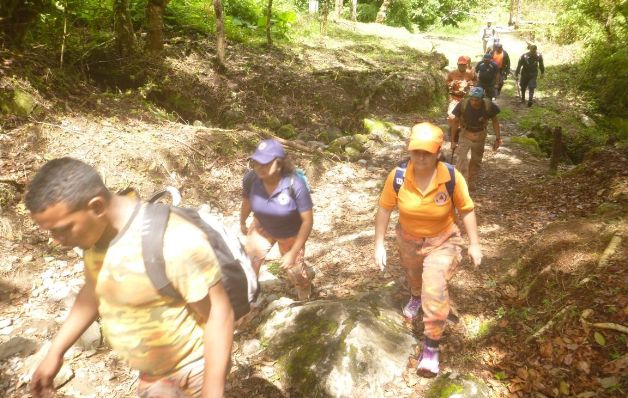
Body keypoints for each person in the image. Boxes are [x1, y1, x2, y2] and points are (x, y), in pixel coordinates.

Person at [25, 158, 234, 398]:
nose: (56, 240)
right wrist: (56, 352)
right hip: (152, 376)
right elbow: (94, 289)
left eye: (62, 228)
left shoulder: (173, 240)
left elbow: (219, 312)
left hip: (192, 371)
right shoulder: (96, 237)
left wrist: (212, 388)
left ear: (96, 207)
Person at [374, 122, 482, 377]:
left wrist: (475, 243)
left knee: (433, 284)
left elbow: (466, 209)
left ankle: (431, 347)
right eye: (416, 151)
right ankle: (415, 295)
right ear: (410, 151)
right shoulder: (398, 176)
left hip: (444, 240)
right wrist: (378, 242)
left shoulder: (452, 177)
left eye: (427, 152)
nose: (420, 157)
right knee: (415, 277)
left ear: (437, 153)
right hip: (408, 239)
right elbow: (384, 208)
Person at [240, 138, 314, 300]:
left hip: (289, 231)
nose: (259, 167)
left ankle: (304, 285)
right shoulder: (251, 179)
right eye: (256, 162)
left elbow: (307, 221)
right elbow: (247, 202)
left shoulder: (296, 184)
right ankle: (248, 298)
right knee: (248, 264)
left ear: (279, 164)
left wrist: (294, 252)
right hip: (262, 225)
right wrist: (242, 221)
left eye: (265, 163)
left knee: (295, 271)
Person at [450, 87, 502, 189]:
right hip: (465, 133)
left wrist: (498, 138)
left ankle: (471, 180)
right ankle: (461, 183)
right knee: (461, 159)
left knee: (476, 160)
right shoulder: (463, 104)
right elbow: (455, 121)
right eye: (472, 99)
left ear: (482, 98)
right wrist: (453, 140)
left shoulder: (488, 105)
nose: (473, 102)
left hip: (480, 134)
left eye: (476, 100)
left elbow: (495, 121)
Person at [446, 56, 477, 138]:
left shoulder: (470, 73)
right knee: (451, 116)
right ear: (457, 64)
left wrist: (469, 85)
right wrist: (451, 84)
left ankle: (461, 131)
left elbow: (475, 81)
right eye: (460, 64)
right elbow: (447, 82)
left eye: (464, 65)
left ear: (466, 65)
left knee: (464, 117)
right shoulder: (452, 73)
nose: (462, 66)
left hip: (465, 98)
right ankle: (452, 129)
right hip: (454, 98)